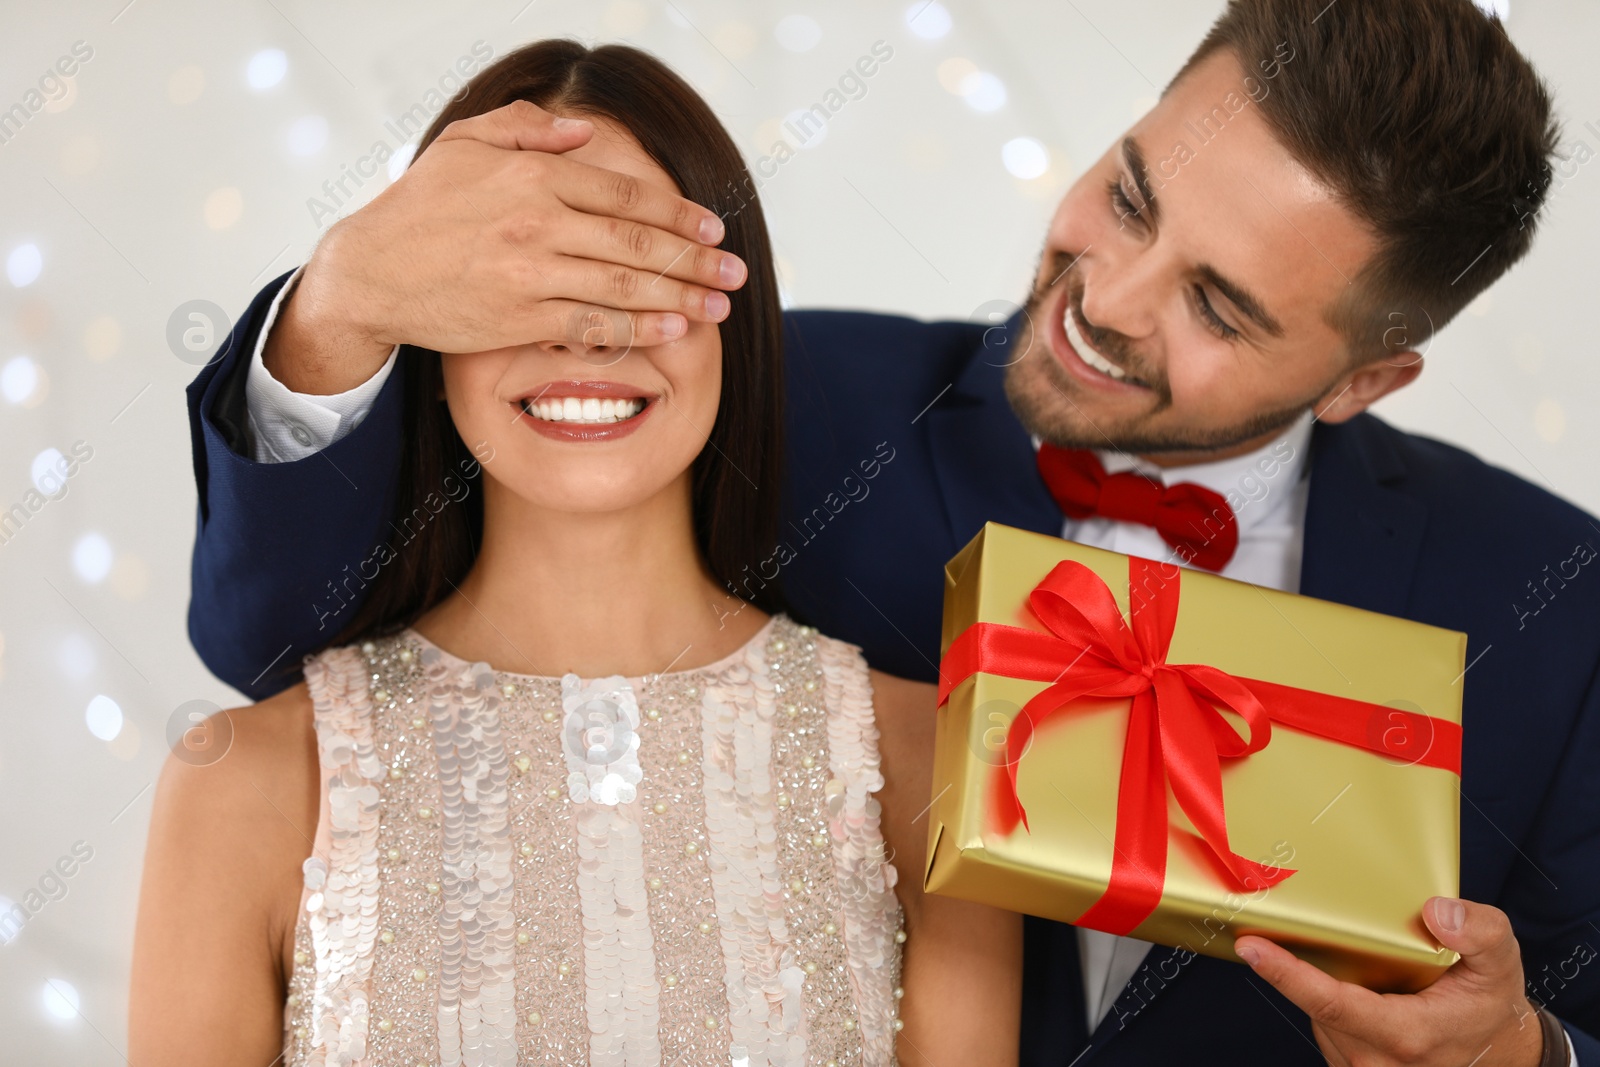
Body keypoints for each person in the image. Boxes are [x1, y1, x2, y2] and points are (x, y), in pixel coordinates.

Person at [179, 0, 1600, 1064]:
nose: (1108, 297)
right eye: (1127, 195)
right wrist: (341, 301)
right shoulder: (772, 398)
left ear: (1365, 378)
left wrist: (1527, 1052)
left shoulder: (1554, 606)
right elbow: (295, 656)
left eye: (1218, 307)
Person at [132, 40, 1022, 1067]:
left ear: (737, 316)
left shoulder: (931, 767)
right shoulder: (239, 784)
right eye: (531, 273)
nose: (590, 329)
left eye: (640, 263)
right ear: (425, 318)